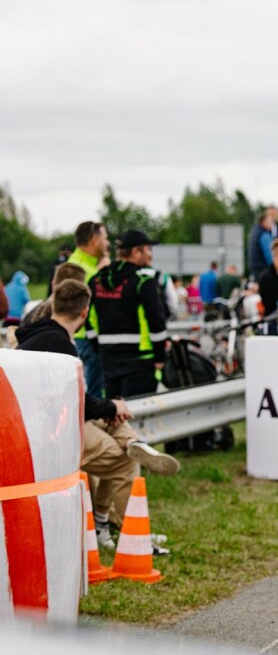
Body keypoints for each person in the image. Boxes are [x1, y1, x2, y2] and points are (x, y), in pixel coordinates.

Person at [15, 279, 180, 549]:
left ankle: (131, 442)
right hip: (53, 433)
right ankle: (122, 528)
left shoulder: (39, 334)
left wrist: (110, 408)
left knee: (115, 421)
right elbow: (79, 404)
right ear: (84, 312)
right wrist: (113, 407)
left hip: (49, 423)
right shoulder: (60, 346)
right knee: (123, 462)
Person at [90, 229, 169, 398]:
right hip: (140, 358)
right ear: (136, 252)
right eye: (148, 250)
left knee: (114, 416)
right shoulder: (143, 282)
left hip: (107, 357)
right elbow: (156, 321)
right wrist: (160, 357)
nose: (150, 255)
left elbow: (90, 318)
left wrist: (98, 346)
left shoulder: (96, 281)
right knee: (136, 417)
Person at [69, 220, 110, 398]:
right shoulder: (78, 268)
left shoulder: (88, 265)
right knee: (95, 395)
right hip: (87, 337)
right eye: (105, 238)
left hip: (86, 336)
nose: (107, 243)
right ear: (94, 239)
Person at [247, 206, 278, 279]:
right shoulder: (264, 235)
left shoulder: (255, 231)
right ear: (264, 221)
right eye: (270, 222)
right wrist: (275, 268)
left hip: (255, 267)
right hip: (262, 268)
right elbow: (269, 253)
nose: (272, 225)